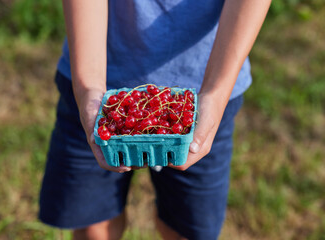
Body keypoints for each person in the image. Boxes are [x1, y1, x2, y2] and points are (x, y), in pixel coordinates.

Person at [39, 0, 271, 239]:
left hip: (204, 92)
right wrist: (89, 87)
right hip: (99, 89)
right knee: (93, 227)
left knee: (186, 230)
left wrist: (215, 92)